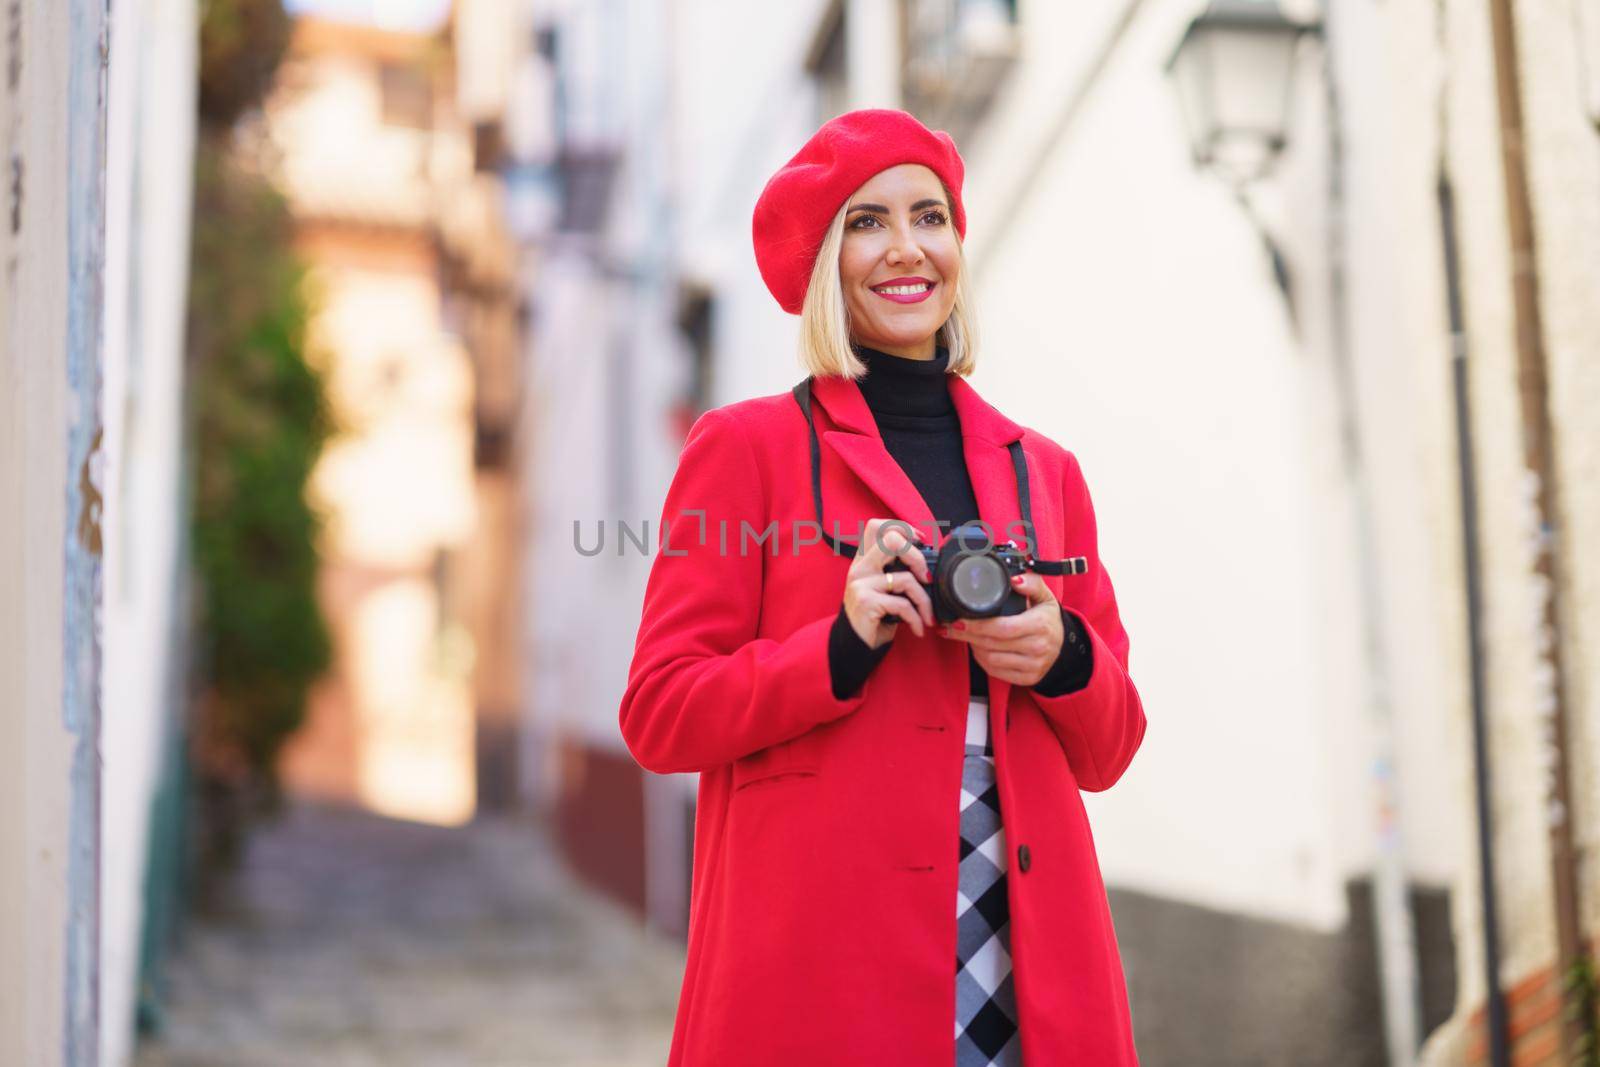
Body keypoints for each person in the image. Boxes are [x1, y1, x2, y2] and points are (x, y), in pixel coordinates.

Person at [619, 108, 1147, 1067]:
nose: (906, 248)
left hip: (1024, 953)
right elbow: (660, 713)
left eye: (929, 216)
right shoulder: (746, 450)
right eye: (866, 222)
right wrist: (838, 644)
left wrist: (1061, 655)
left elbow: (1112, 745)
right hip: (819, 972)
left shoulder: (1047, 470)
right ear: (826, 259)